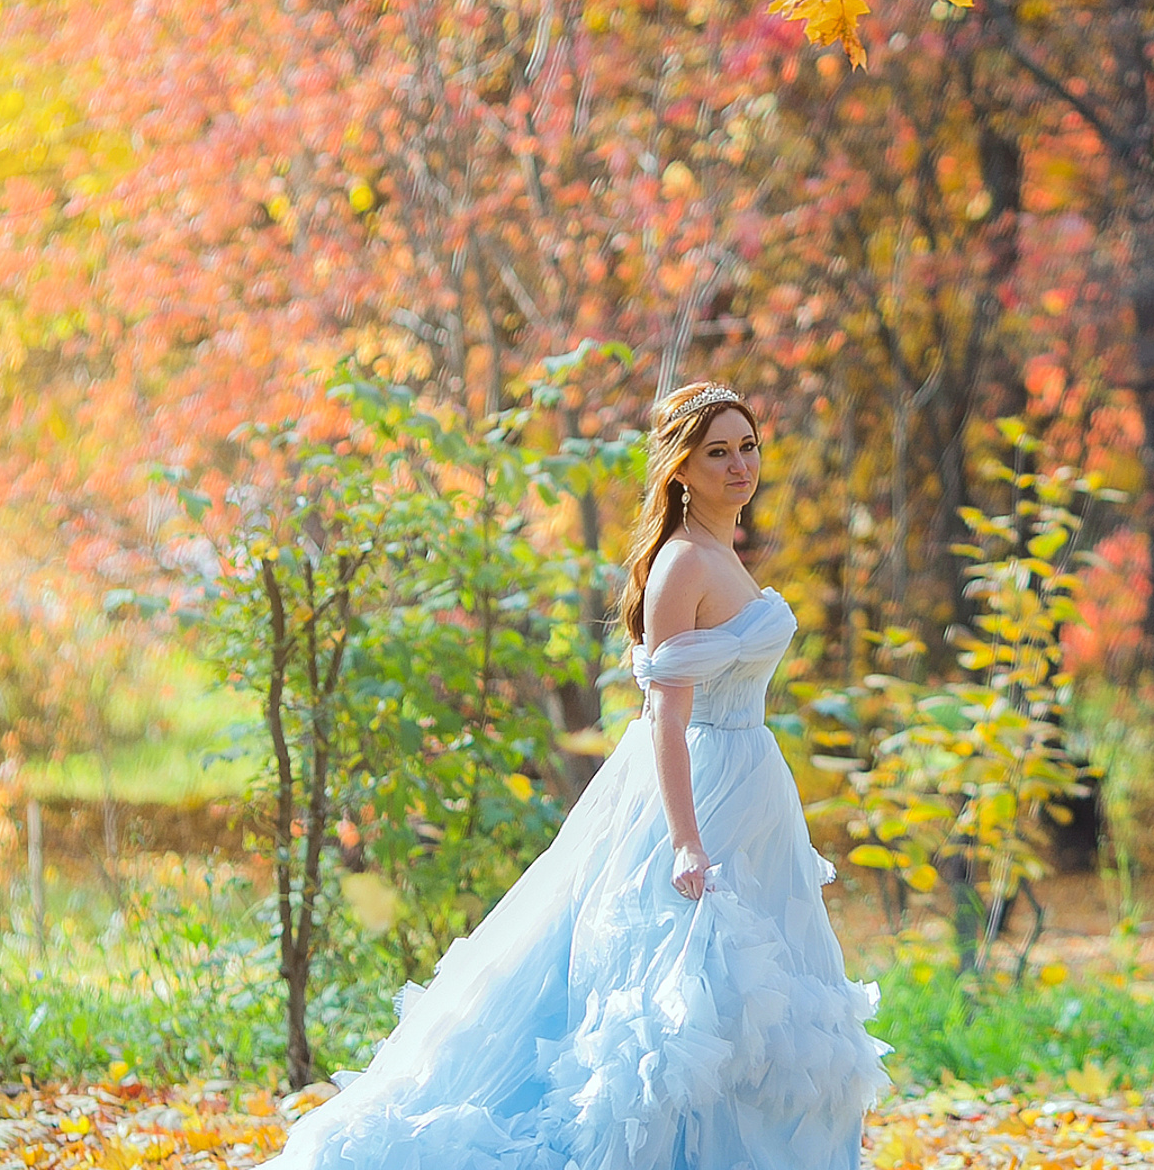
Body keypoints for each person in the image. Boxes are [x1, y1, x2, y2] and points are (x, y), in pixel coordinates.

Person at [265, 380, 888, 1170]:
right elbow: (664, 713)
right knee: (681, 1003)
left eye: (747, 447)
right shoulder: (680, 568)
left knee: (760, 997)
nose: (739, 466)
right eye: (717, 452)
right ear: (681, 471)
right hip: (700, 788)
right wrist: (686, 842)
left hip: (755, 787)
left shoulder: (724, 552)